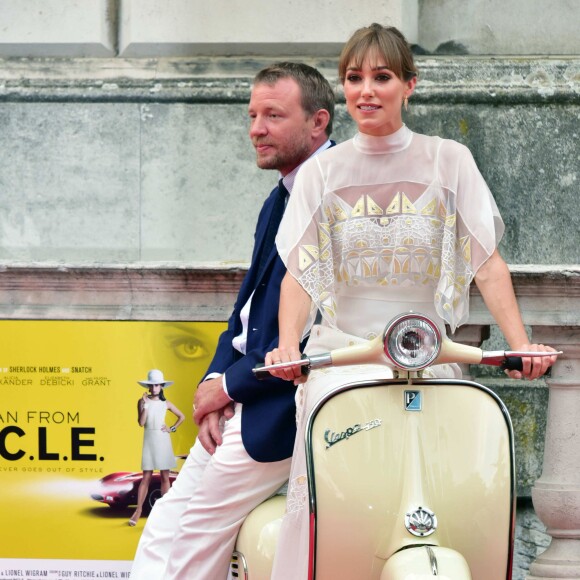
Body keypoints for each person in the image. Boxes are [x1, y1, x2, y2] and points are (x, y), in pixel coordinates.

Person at [265, 23, 558, 579]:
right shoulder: (321, 172)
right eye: (354, 78)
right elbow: (297, 275)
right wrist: (285, 350)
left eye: (382, 77)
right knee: (325, 501)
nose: (366, 90)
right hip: (344, 358)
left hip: (431, 355)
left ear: (410, 84)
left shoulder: (449, 160)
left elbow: (487, 264)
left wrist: (520, 346)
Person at [130, 62, 335, 579]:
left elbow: (320, 329)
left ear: (319, 123)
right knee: (163, 528)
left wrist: (230, 389)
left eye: (273, 115)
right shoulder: (279, 196)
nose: (256, 129)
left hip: (284, 408)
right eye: (252, 115)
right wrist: (213, 383)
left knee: (193, 536)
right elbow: (245, 311)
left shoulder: (337, 195)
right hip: (244, 397)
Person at [129, 369, 184, 526]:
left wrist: (171, 428)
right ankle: (138, 510)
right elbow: (141, 423)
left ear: (161, 387)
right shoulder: (142, 402)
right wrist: (145, 406)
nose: (154, 389)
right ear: (148, 386)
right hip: (149, 439)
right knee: (146, 477)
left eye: (157, 386)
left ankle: (163, 512)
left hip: (162, 440)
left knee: (165, 477)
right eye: (152, 386)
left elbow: (182, 417)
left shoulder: (165, 404)